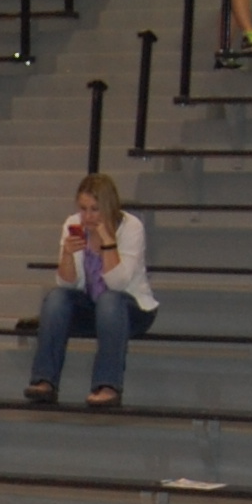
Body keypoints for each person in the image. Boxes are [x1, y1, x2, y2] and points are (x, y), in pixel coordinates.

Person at [25, 173, 158, 409]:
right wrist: (66, 253)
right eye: (83, 208)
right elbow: (66, 284)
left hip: (130, 310)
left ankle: (108, 385)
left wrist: (108, 243)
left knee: (109, 300)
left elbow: (118, 284)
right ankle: (45, 381)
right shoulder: (72, 224)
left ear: (108, 207)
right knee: (56, 298)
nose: (87, 216)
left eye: (95, 209)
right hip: (93, 307)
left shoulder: (131, 227)